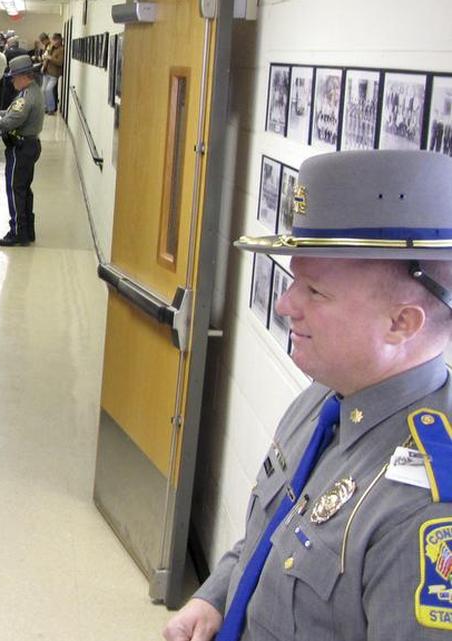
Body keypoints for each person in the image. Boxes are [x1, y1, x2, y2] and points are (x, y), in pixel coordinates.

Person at [163, 149, 452, 641]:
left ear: (402, 323)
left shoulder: (425, 509)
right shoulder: (326, 398)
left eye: (315, 292)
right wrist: (215, 597)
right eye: (296, 280)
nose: (284, 304)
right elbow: (273, 533)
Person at [0, 55, 45, 247]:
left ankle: (17, 231)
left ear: (23, 76)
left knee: (14, 190)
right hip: (31, 145)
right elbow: (11, 113)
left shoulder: (25, 98)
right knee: (24, 189)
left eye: (13, 77)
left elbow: (10, 122)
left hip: (20, 148)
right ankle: (27, 229)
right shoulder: (33, 91)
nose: (12, 81)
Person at [42, 33, 64, 114]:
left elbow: (60, 62)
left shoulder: (61, 50)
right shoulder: (51, 48)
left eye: (55, 40)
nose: (53, 42)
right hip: (46, 71)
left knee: (48, 90)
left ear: (59, 40)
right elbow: (46, 56)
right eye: (53, 40)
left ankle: (51, 108)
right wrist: (45, 57)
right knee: (43, 90)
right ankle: (45, 107)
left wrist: (50, 58)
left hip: (54, 74)